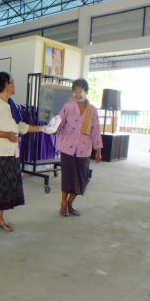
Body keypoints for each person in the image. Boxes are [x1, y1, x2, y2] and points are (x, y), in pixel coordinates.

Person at [0, 72, 41, 234]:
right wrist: (7, 135)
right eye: (12, 82)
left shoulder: (11, 104)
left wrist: (43, 129)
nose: (14, 85)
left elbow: (20, 127)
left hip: (12, 152)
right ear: (6, 84)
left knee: (7, 186)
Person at [57, 78, 103, 217]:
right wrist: (53, 127)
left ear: (86, 92)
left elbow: (96, 130)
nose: (77, 94)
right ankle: (63, 204)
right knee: (67, 178)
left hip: (84, 149)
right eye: (75, 91)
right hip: (68, 147)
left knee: (82, 179)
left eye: (80, 91)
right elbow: (59, 123)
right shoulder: (67, 107)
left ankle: (70, 203)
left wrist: (98, 151)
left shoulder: (93, 111)